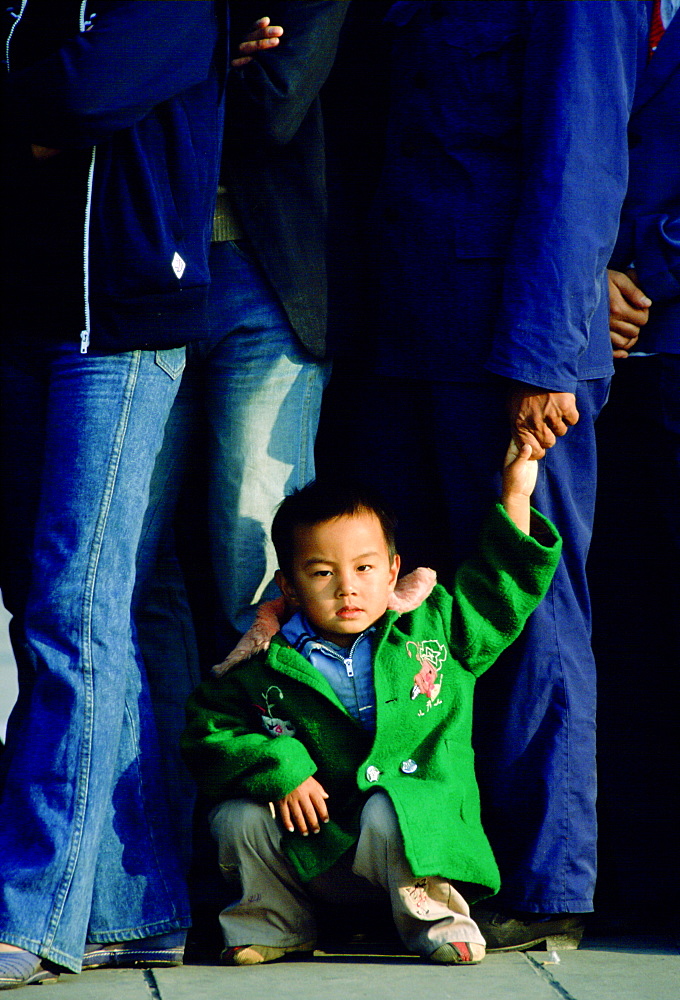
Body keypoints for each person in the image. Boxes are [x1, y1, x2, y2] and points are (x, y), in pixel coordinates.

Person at [315, 0, 642, 948]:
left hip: (512, 350)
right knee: (421, 621)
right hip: (410, 328)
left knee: (531, 607)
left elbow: (579, 162)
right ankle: (440, 865)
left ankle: (546, 883)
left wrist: (543, 356)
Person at [0, 1, 223, 989]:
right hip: (23, 318)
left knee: (72, 609)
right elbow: (66, 93)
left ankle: (32, 907)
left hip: (120, 327)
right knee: (55, 605)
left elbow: (88, 92)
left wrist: (46, 105)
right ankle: (133, 908)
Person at [181, 442, 562, 966]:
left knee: (395, 802)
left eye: (364, 568)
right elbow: (206, 734)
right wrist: (279, 768)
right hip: (314, 848)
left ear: (392, 569)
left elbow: (503, 586)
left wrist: (517, 492)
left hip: (413, 853)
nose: (347, 589)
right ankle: (273, 923)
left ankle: (436, 922)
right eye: (322, 573)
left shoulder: (434, 631)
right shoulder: (261, 662)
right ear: (289, 588)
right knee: (236, 817)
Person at [134, 0, 348, 872]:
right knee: (134, 579)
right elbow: (78, 97)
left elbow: (272, 107)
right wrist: (209, 54)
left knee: (254, 578)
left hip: (264, 285)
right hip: (140, 282)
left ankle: (262, 864)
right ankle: (160, 862)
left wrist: (147, 66)